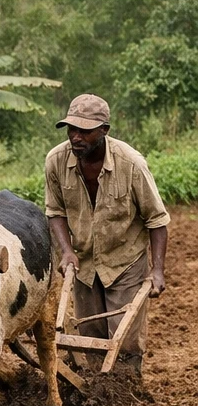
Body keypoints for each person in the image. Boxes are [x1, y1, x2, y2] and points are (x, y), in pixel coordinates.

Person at [44, 93, 169, 374]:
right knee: (88, 335)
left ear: (104, 131)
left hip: (125, 260)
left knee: (125, 342)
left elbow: (157, 219)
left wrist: (157, 270)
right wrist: (66, 250)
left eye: (84, 131)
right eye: (71, 129)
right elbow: (55, 212)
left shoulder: (131, 164)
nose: (75, 137)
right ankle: (97, 392)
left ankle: (126, 394)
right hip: (85, 262)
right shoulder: (55, 161)